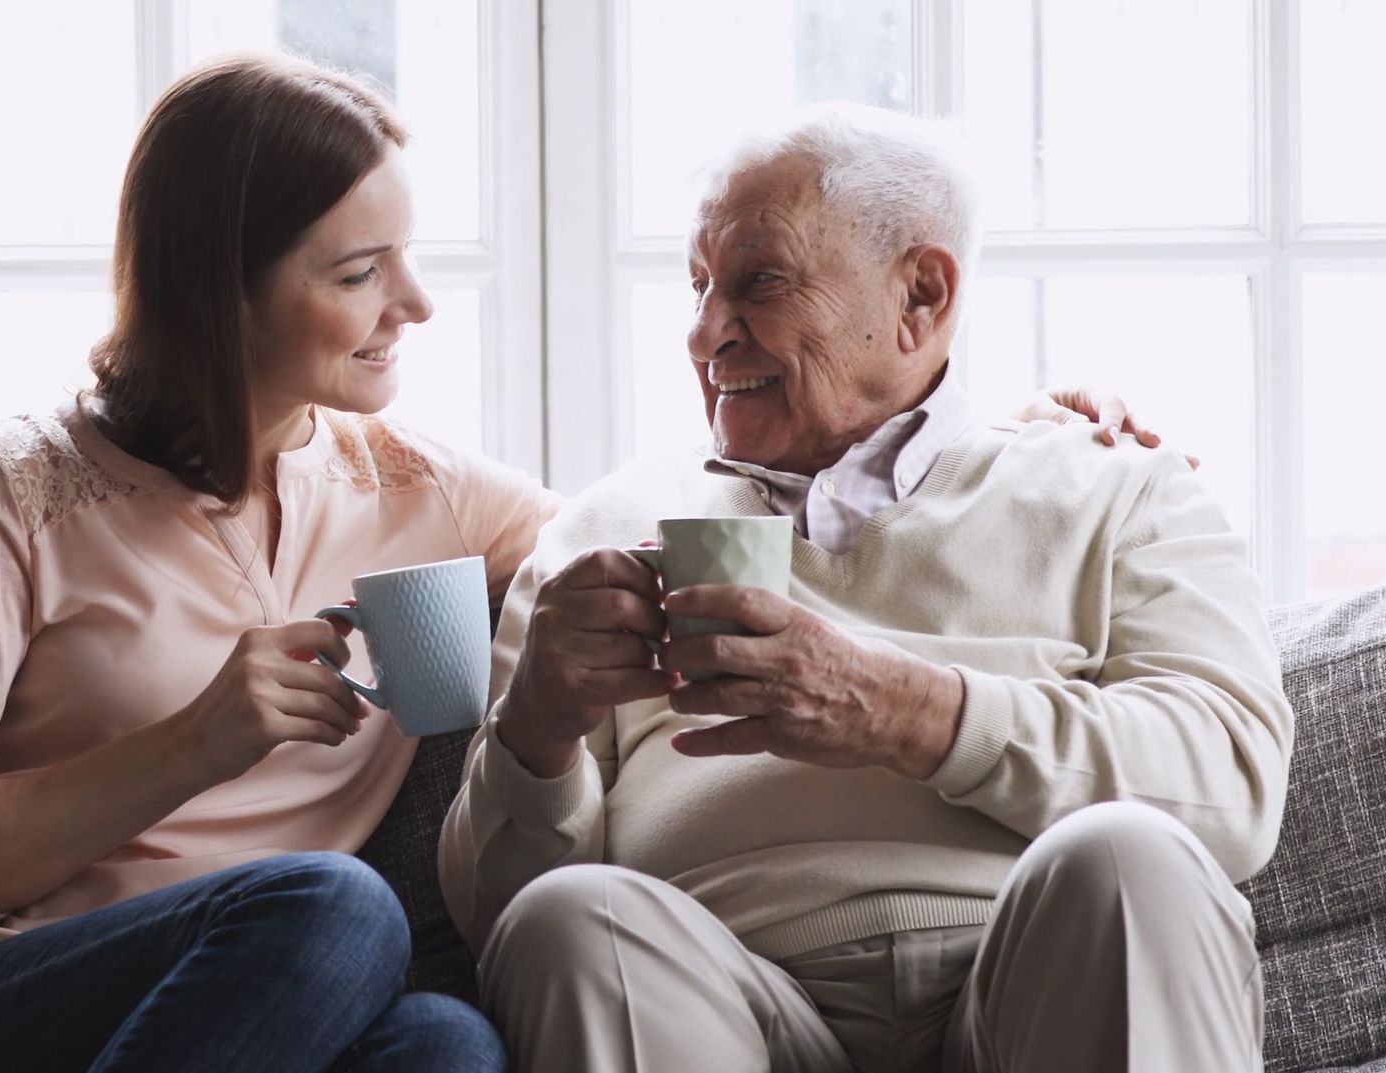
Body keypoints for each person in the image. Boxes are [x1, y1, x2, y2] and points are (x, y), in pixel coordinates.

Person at [440, 103, 1293, 1073]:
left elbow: (1227, 790)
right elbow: (494, 912)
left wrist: (908, 710)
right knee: (567, 917)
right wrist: (537, 727)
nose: (706, 333)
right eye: (696, 289)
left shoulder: (1114, 482)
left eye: (756, 282)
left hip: (1037, 982)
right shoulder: (601, 531)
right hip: (720, 997)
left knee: (1130, 863)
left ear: (920, 296)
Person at [0, 55, 543, 1072]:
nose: (412, 302)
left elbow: (611, 534)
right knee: (332, 905)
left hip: (248, 1013)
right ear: (219, 293)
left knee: (442, 1039)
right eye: (358, 272)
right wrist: (197, 739)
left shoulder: (422, 490)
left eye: (402, 257)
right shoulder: (6, 494)